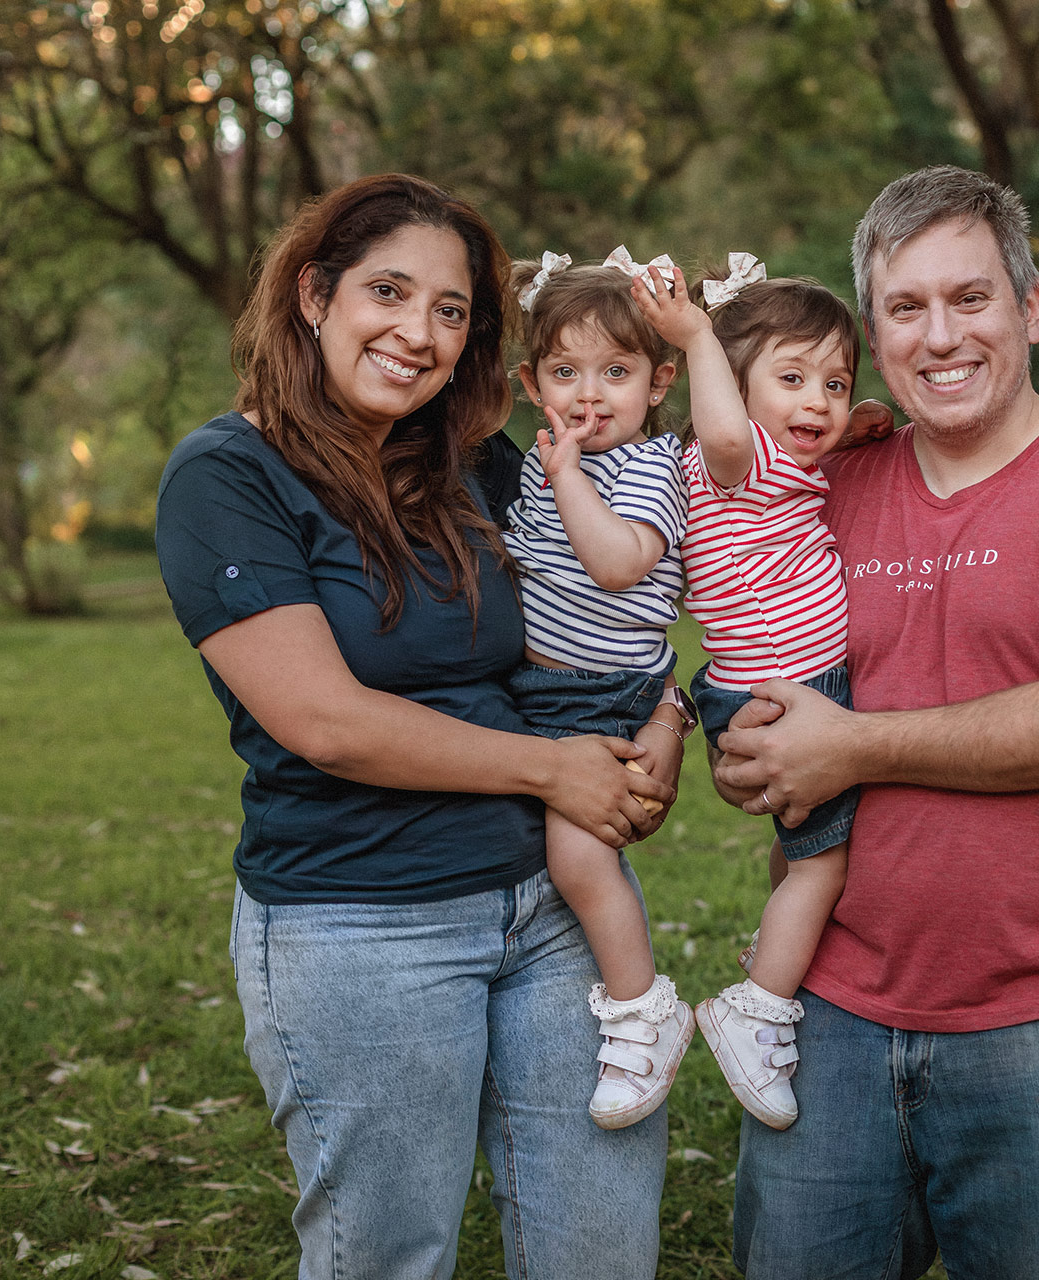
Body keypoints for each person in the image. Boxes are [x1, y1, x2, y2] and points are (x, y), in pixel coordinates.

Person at [153, 174, 687, 1280]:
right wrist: (554, 769)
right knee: (391, 1256)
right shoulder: (226, 477)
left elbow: (612, 597)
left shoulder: (478, 466)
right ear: (315, 295)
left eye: (451, 311)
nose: (419, 332)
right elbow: (326, 721)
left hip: (552, 909)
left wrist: (668, 715)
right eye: (388, 292)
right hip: (361, 922)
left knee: (601, 1246)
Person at [711, 165, 1039, 1278]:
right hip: (830, 1001)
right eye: (906, 307)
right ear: (874, 335)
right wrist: (756, 753)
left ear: (1030, 306)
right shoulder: (830, 481)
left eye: (970, 298)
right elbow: (764, 656)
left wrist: (850, 748)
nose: (940, 336)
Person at [633, 254, 870, 1131]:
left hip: (770, 683)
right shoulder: (734, 458)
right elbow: (731, 436)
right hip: (786, 690)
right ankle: (758, 1008)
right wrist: (694, 335)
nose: (819, 401)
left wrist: (856, 425)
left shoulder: (769, 462)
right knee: (826, 862)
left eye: (835, 383)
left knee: (800, 849)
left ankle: (777, 942)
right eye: (792, 378)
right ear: (729, 391)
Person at [500, 247, 698, 1130]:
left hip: (601, 690)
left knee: (579, 858)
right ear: (530, 383)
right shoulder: (547, 463)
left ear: (659, 383)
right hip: (538, 688)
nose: (589, 395)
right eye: (565, 372)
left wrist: (568, 477)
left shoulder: (649, 468)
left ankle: (640, 1010)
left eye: (615, 372)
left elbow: (618, 565)